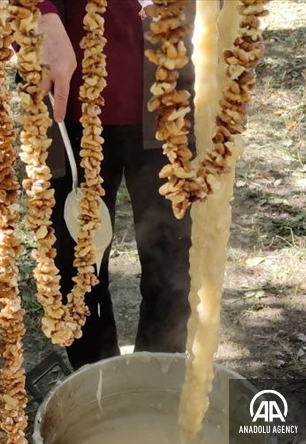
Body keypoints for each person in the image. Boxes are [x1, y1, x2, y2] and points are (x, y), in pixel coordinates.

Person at [37, 0, 196, 370]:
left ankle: (155, 383)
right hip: (71, 107)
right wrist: (40, 12)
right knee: (77, 264)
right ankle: (96, 387)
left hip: (171, 100)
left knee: (172, 258)